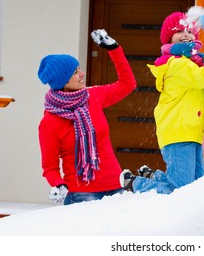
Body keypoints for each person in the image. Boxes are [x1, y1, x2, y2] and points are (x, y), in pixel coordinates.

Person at [120, 9, 204, 194]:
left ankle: (152, 176)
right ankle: (135, 183)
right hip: (179, 132)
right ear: (169, 38)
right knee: (181, 191)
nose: (185, 34)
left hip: (191, 132)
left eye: (189, 30)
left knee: (194, 187)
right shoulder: (177, 64)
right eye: (179, 31)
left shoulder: (194, 61)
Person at [38, 29, 137, 205]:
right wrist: (58, 184)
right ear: (62, 81)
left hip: (116, 186)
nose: (82, 74)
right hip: (81, 195)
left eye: (79, 69)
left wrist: (114, 49)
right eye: (75, 72)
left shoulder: (93, 97)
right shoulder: (50, 122)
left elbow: (128, 84)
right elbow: (49, 167)